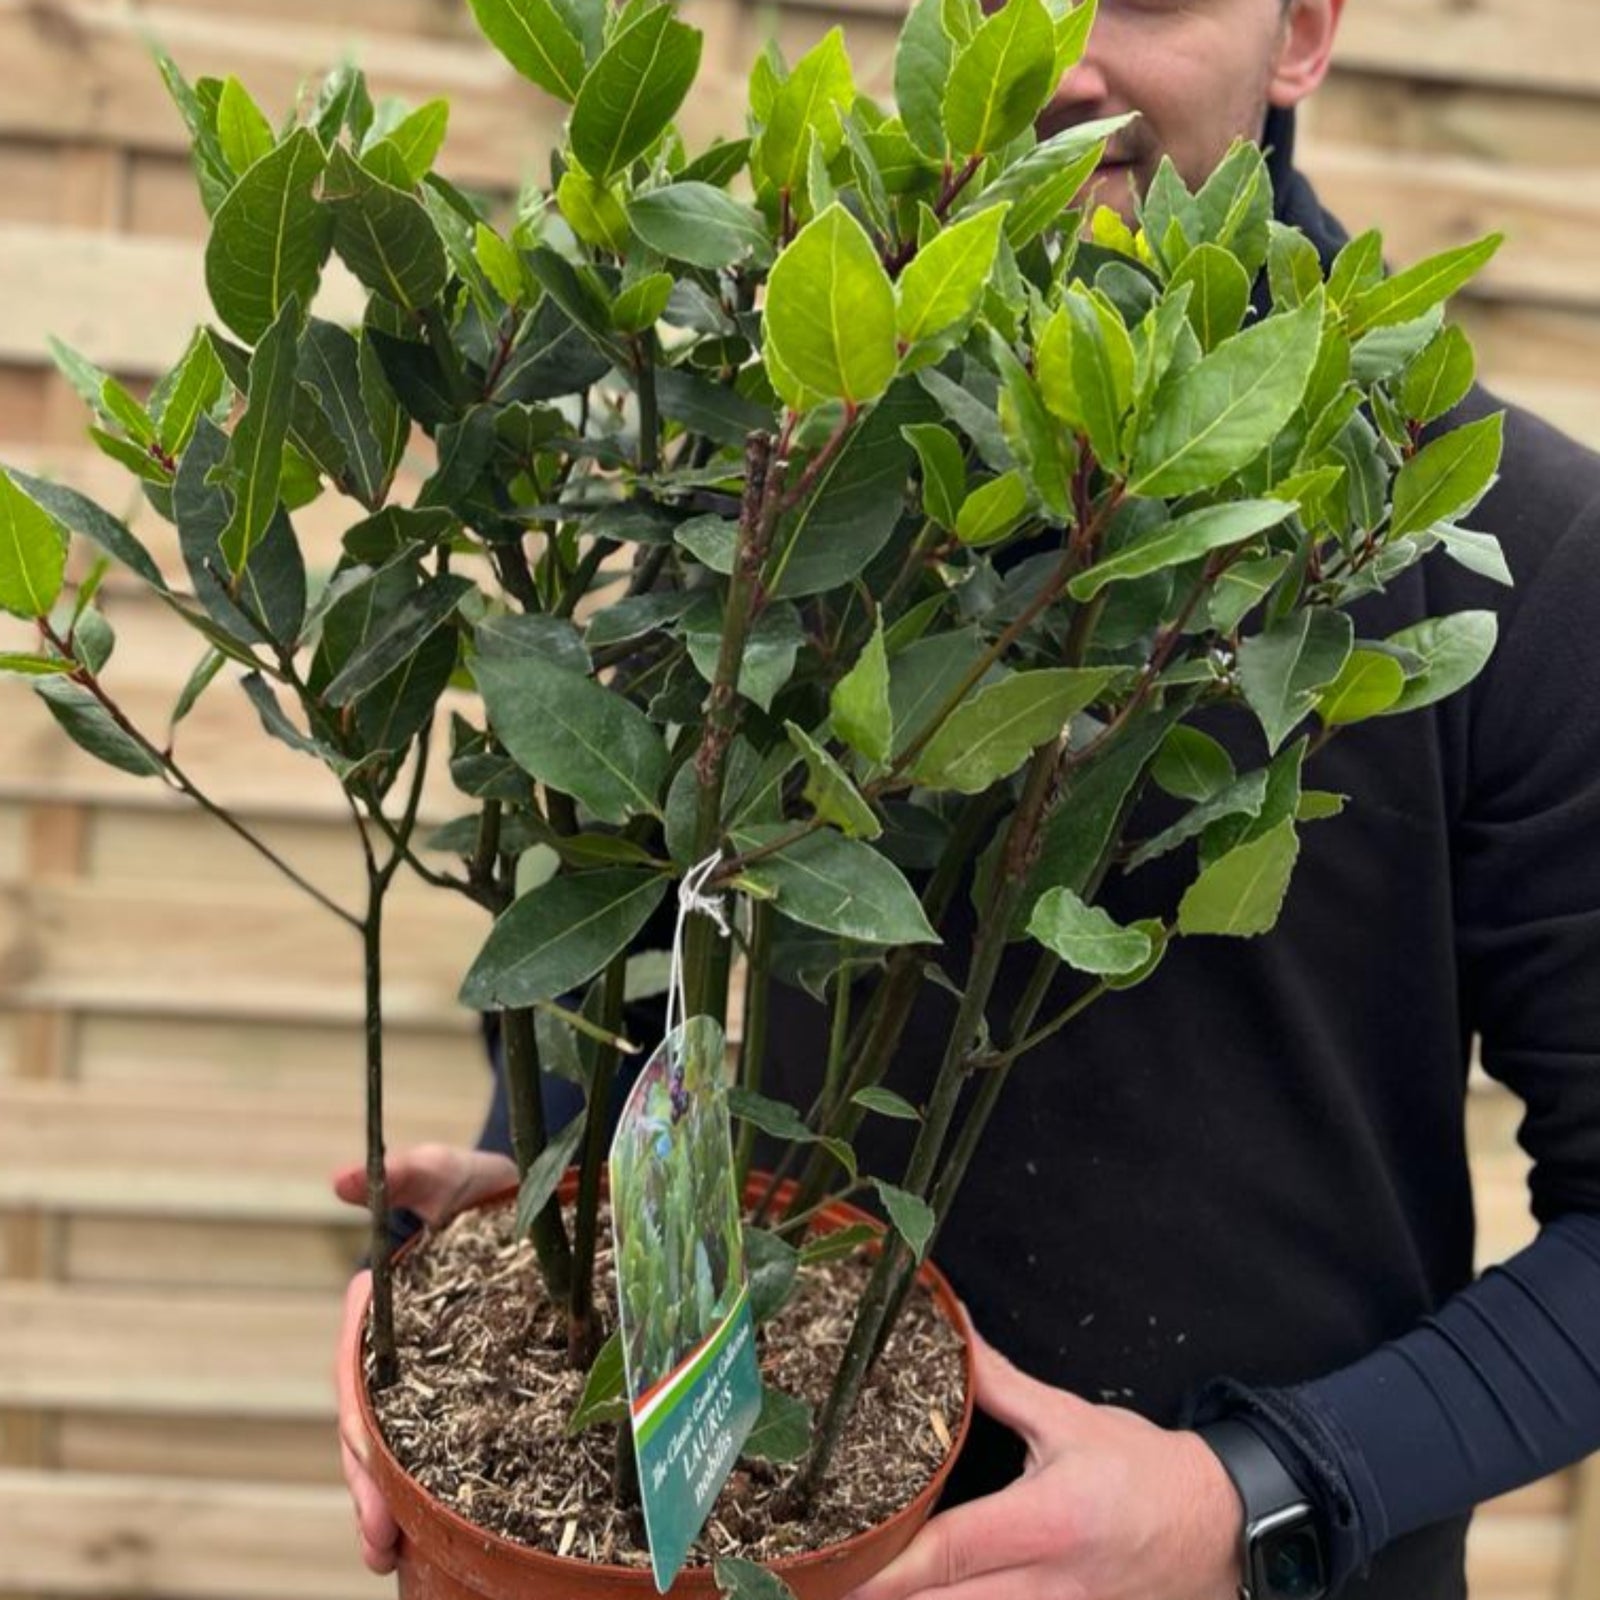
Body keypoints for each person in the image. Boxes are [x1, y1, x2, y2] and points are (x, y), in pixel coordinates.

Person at [334, 1, 1600, 1594]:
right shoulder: (774, 472)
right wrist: (542, 1206)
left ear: (1303, 32)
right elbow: (648, 948)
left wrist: (1255, 1497)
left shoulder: (1512, 556)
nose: (1061, 54)